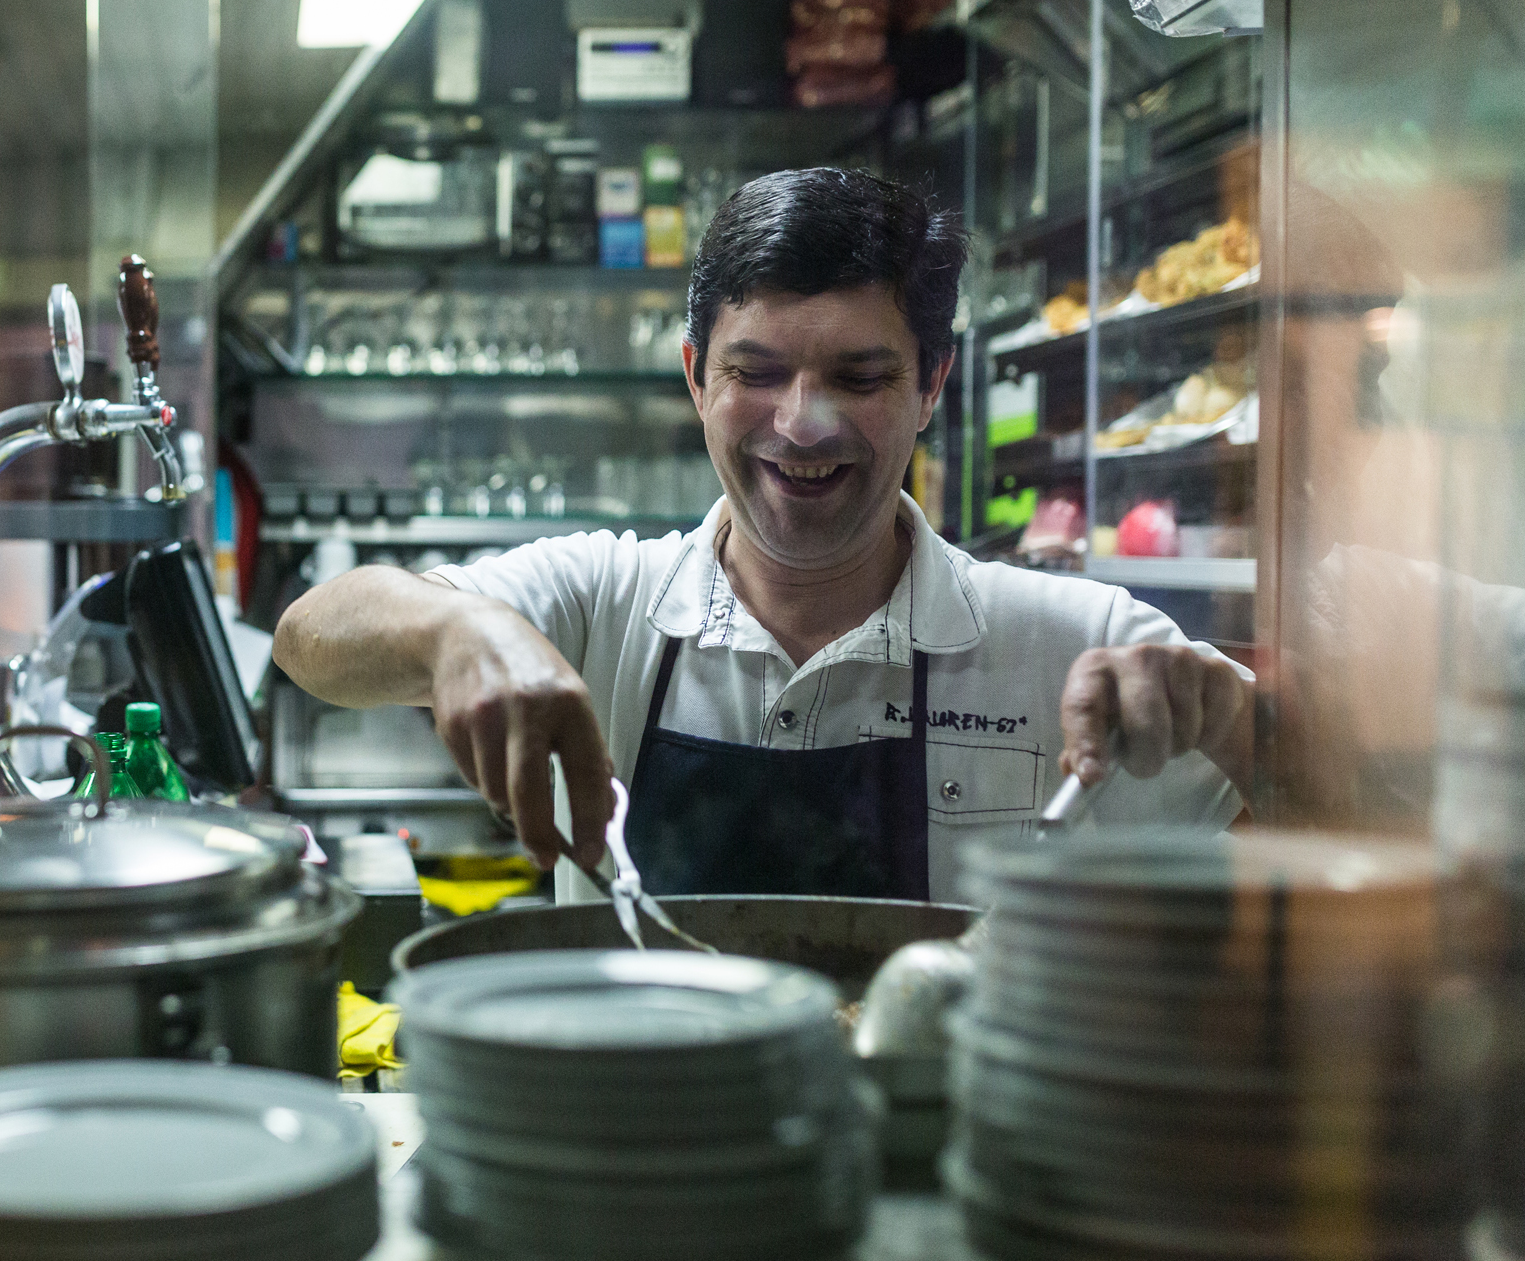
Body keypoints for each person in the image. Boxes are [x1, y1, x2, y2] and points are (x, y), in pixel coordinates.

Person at [275, 168, 1251, 904]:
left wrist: (1235, 723)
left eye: (859, 379)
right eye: (754, 373)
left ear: (933, 387)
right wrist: (455, 635)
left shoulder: (1069, 644)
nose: (800, 425)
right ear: (696, 375)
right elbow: (312, 636)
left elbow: (1344, 818)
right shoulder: (601, 600)